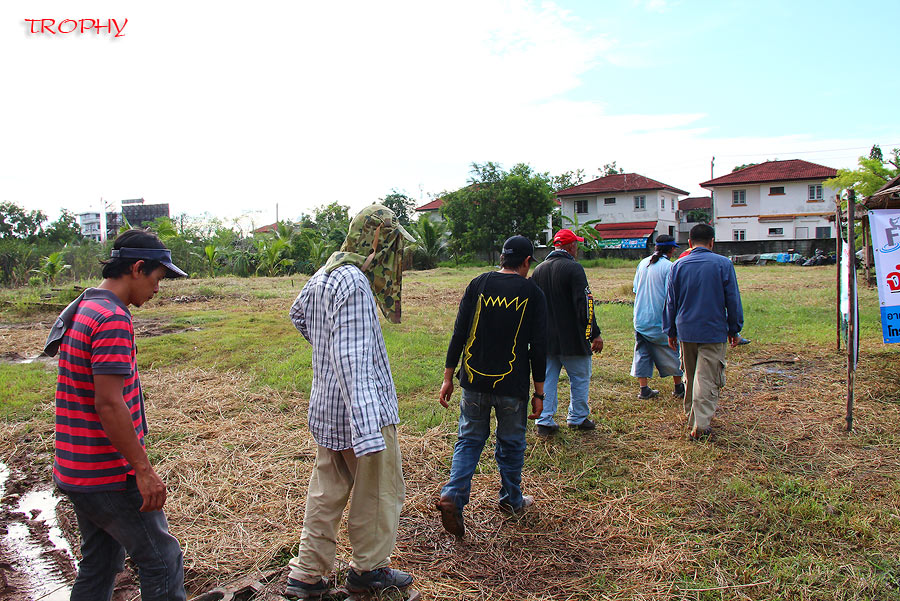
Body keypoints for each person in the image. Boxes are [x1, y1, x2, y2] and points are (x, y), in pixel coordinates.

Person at [43, 229, 188, 601]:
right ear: (137, 268)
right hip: (106, 474)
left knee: (102, 561)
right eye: (157, 279)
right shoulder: (111, 319)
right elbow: (109, 403)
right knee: (162, 559)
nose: (157, 290)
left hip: (76, 469)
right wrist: (143, 469)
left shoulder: (85, 306)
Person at [285, 205, 415, 599]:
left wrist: (322, 347)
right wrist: (367, 430)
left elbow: (298, 314)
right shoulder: (355, 282)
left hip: (328, 412)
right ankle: (370, 570)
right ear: (377, 240)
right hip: (362, 414)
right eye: (393, 244)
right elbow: (352, 359)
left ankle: (305, 574)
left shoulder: (325, 273)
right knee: (378, 495)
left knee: (326, 492)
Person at [436, 235, 548, 538]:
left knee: (469, 440)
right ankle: (512, 500)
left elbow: (460, 331)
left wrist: (449, 376)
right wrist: (540, 392)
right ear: (526, 262)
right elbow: (538, 347)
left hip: (472, 379)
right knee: (511, 443)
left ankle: (453, 495)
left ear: (502, 258)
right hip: (512, 385)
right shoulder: (532, 292)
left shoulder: (478, 283)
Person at [663, 224, 744, 440]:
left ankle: (693, 418)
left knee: (690, 376)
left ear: (689, 243)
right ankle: (701, 425)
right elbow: (732, 299)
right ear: (712, 242)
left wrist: (670, 330)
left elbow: (671, 302)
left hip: (686, 331)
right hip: (713, 330)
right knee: (707, 378)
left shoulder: (677, 266)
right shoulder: (723, 264)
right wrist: (734, 328)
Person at [531, 229, 603, 437]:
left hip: (546, 339)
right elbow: (585, 305)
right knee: (580, 378)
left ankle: (544, 420)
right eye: (576, 246)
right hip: (572, 338)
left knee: (547, 379)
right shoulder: (574, 269)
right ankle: (578, 417)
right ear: (571, 247)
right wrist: (593, 333)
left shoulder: (539, 270)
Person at [631, 235, 685, 400]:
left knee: (642, 353)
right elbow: (673, 295)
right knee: (672, 352)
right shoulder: (670, 267)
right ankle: (678, 387)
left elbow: (635, 289)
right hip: (659, 319)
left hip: (640, 318)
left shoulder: (643, 263)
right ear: (671, 249)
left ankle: (644, 389)